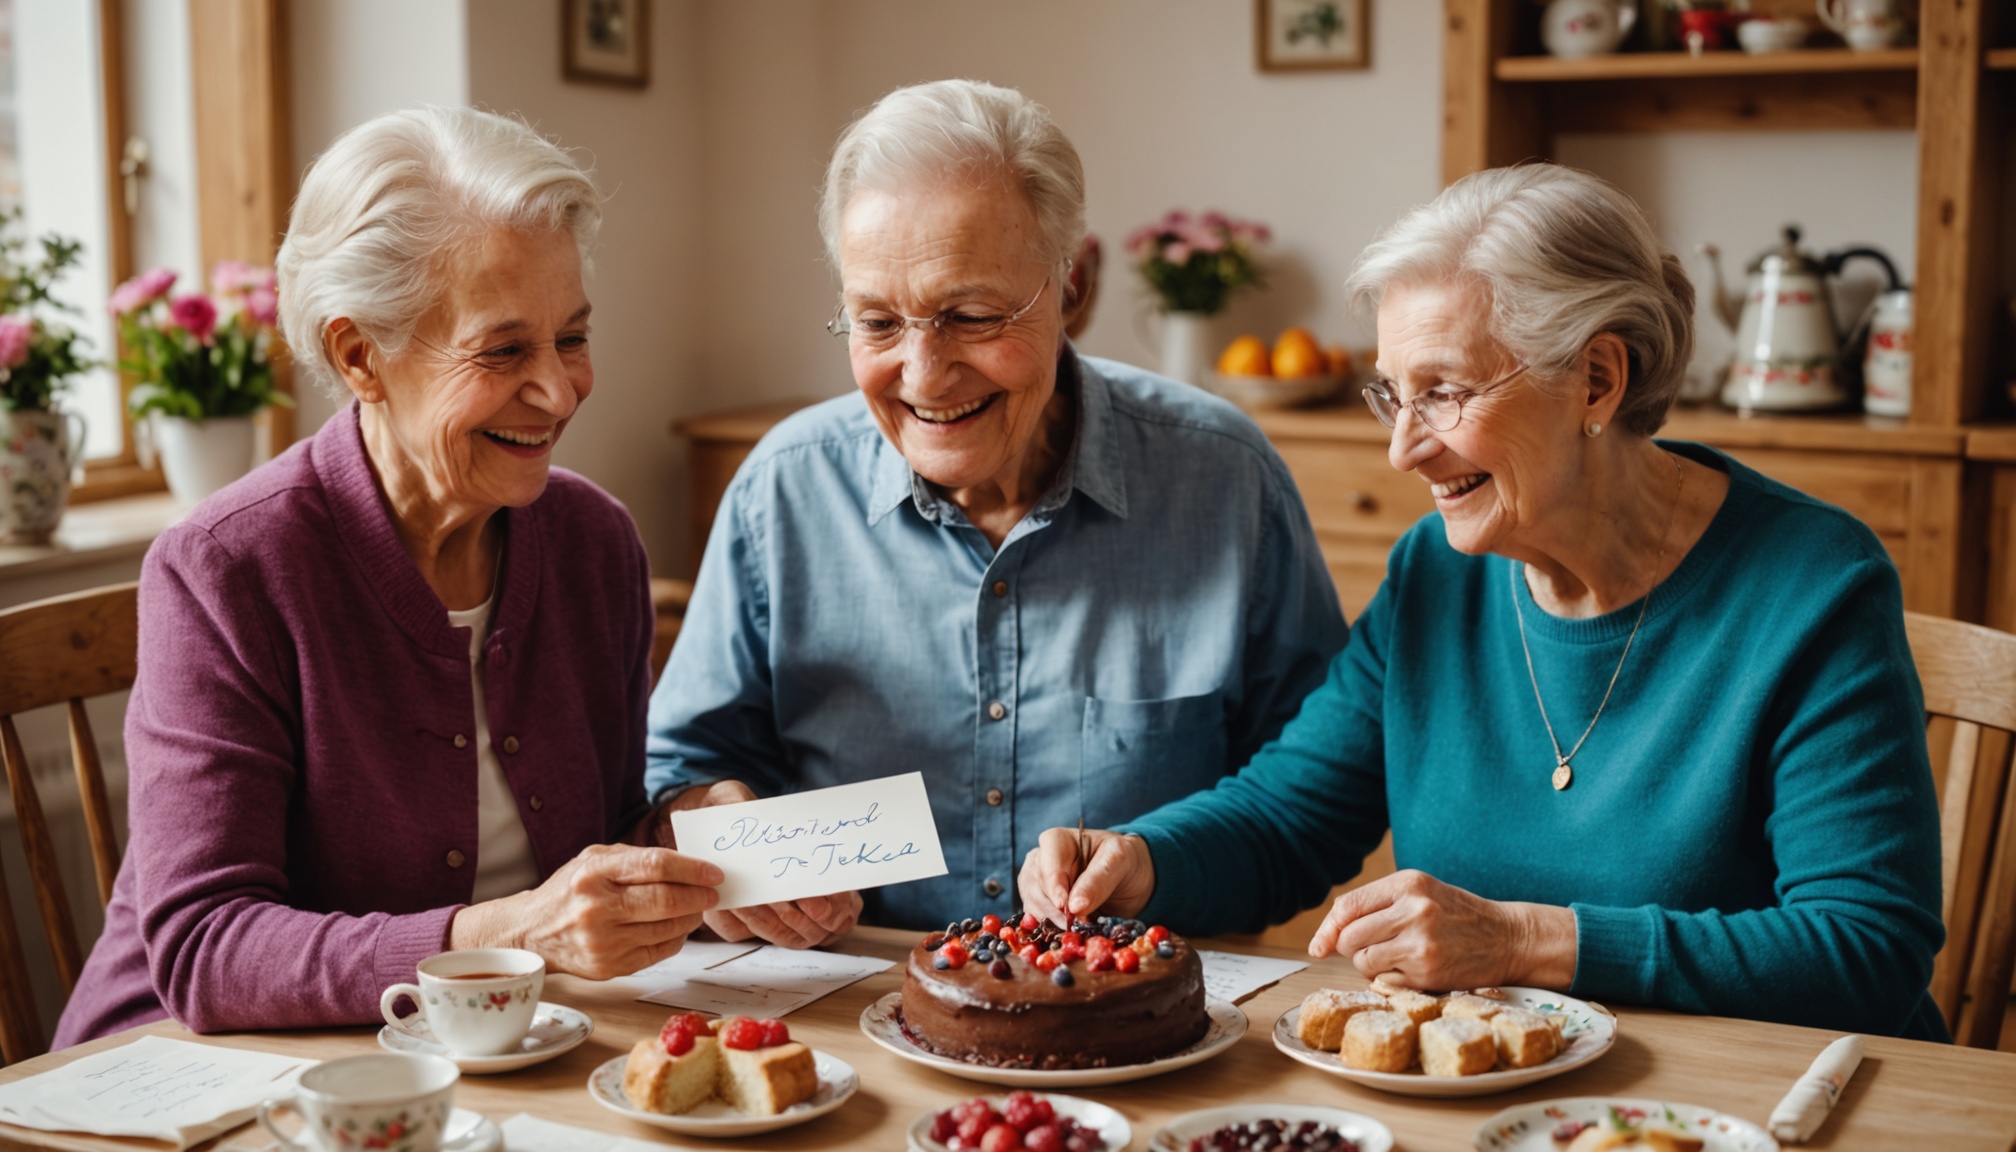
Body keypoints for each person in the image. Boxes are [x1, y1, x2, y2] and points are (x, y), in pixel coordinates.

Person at [1020, 163, 1947, 1040]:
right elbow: (1289, 816)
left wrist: (1525, 942)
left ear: (1596, 380)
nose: (1404, 450)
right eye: (1394, 396)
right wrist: (1141, 860)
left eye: (1447, 393)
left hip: (1760, 1102)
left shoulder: (1813, 584)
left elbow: (1867, 948)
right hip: (1510, 1095)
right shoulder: (1439, 569)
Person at [55, 107, 721, 1044]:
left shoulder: (594, 542)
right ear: (360, 355)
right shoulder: (228, 568)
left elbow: (595, 839)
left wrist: (695, 837)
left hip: (492, 1051)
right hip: (204, 1072)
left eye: (571, 337)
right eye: (502, 350)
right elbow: (204, 949)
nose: (559, 389)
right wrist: (504, 935)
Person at [645, 79, 1347, 941]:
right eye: (877, 323)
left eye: (971, 316)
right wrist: (730, 846)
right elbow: (681, 769)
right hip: (851, 1013)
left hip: (1143, 1023)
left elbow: (1318, 801)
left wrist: (1164, 864)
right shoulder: (781, 491)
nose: (924, 374)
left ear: (1073, 287)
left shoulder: (1227, 481)